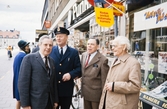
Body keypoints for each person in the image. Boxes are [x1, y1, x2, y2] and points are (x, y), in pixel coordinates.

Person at [99, 36, 141, 109]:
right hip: (111, 102)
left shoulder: (133, 63)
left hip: (121, 105)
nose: (112, 48)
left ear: (124, 47)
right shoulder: (115, 60)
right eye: (112, 46)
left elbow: (135, 86)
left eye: (114, 46)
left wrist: (114, 86)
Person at [18, 35, 58, 109]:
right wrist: (25, 104)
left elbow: (53, 82)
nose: (48, 47)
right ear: (39, 45)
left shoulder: (51, 61)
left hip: (50, 103)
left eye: (50, 45)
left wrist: (55, 100)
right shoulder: (29, 59)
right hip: (35, 103)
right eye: (45, 45)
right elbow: (23, 84)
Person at [50, 27, 81, 109]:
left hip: (66, 89)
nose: (58, 38)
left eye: (61, 36)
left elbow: (79, 69)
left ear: (67, 37)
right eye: (57, 36)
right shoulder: (51, 51)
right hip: (53, 89)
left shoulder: (73, 52)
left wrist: (70, 75)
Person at [81, 38, 109, 109]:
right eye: (88, 44)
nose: (89, 46)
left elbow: (104, 79)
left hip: (96, 95)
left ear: (98, 46)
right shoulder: (84, 55)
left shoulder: (103, 60)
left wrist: (104, 96)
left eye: (92, 44)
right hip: (85, 92)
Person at [13, 40, 30, 109]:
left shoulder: (18, 55)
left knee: (19, 100)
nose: (28, 47)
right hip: (21, 81)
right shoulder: (24, 56)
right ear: (24, 47)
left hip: (17, 80)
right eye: (27, 46)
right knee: (24, 101)